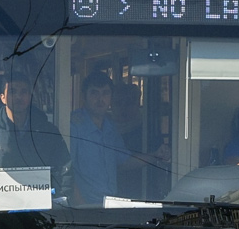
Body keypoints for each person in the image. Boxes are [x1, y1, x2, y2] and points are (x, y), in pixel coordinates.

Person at [70, 73, 168, 206]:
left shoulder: (110, 127)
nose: (100, 99)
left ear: (111, 97)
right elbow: (66, 169)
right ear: (84, 96)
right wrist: (79, 206)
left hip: (109, 203)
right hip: (84, 207)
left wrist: (155, 156)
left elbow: (123, 161)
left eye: (105, 93)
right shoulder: (73, 125)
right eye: (94, 93)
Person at [0, 75, 70, 191]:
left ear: (30, 97)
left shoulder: (48, 131)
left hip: (43, 206)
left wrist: (61, 198)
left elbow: (65, 168)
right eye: (13, 92)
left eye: (23, 92)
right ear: (3, 98)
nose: (18, 97)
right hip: (1, 206)